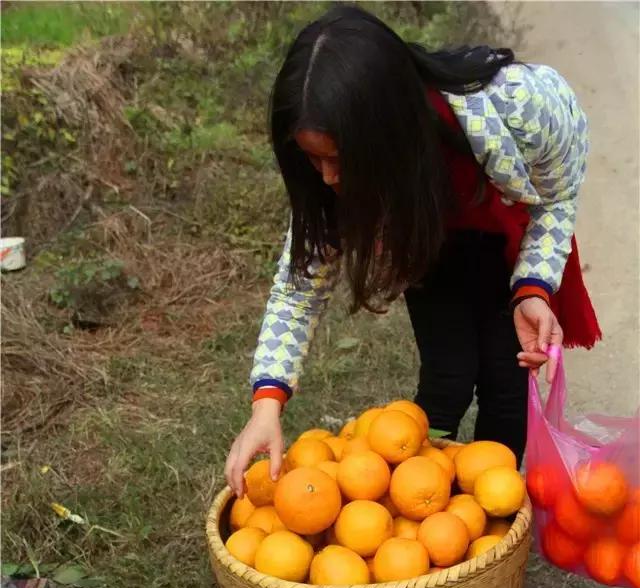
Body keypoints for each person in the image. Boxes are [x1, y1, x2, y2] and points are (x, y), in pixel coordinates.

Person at [225, 5, 601, 495]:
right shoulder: (331, 182)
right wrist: (266, 405)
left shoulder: (519, 105)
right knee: (447, 375)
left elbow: (556, 193)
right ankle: (423, 496)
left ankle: (495, 507)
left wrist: (534, 285)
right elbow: (298, 289)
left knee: (507, 381)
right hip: (427, 241)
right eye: (312, 159)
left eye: (339, 159)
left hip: (506, 238)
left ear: (389, 134)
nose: (328, 177)